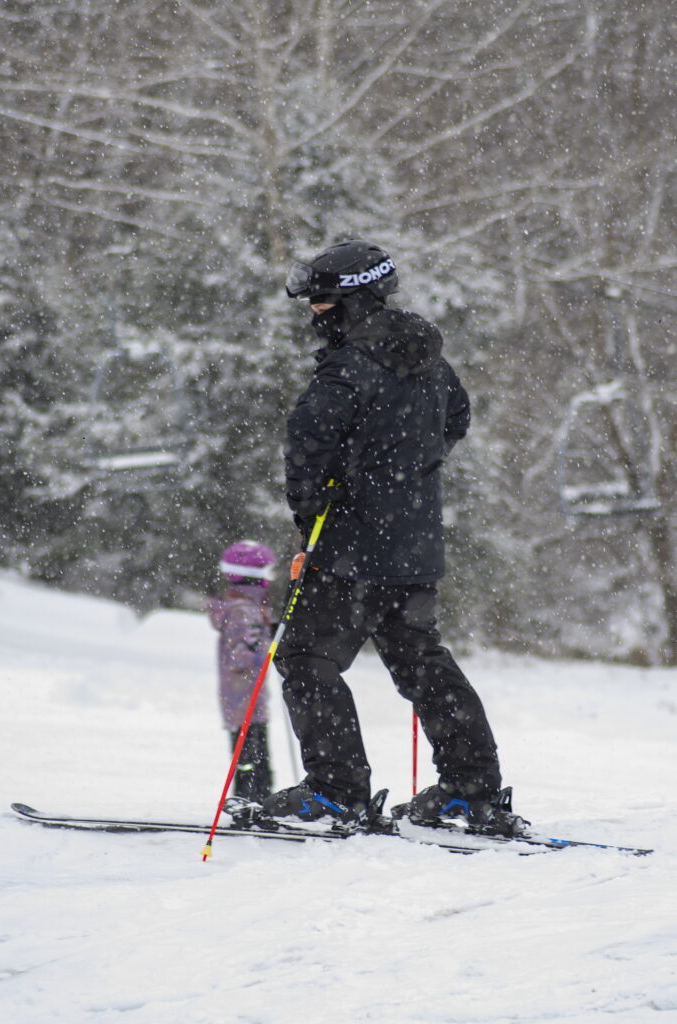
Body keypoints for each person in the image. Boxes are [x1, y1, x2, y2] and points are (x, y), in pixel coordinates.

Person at [261, 238, 528, 837]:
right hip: (413, 545)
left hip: (351, 546)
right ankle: (471, 790)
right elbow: (455, 420)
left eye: (323, 301)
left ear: (353, 300)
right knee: (421, 662)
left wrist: (319, 514)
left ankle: (336, 793)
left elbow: (305, 451)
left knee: (305, 658)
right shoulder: (430, 359)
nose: (315, 313)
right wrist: (402, 476)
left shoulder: (345, 369)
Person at [208, 540, 276, 801]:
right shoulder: (243, 612)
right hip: (243, 700)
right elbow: (239, 658)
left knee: (257, 753)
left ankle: (259, 800)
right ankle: (249, 801)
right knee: (249, 757)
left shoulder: (248, 608)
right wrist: (265, 646)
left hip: (250, 699)